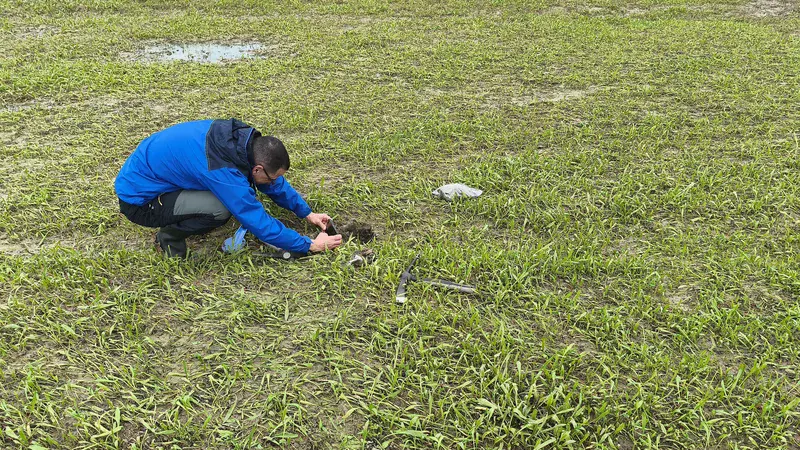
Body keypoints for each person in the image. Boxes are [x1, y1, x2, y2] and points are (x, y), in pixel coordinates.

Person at [114, 118, 342, 258]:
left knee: (232, 198)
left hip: (157, 176)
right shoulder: (222, 170)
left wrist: (307, 213)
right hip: (141, 202)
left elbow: (273, 182)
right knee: (221, 209)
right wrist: (309, 245)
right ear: (257, 169)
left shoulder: (240, 142)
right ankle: (169, 237)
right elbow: (258, 223)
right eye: (271, 179)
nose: (274, 184)